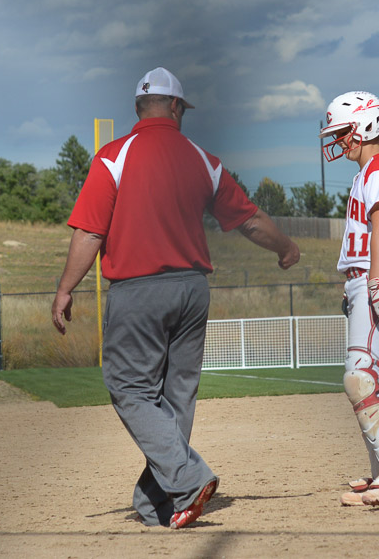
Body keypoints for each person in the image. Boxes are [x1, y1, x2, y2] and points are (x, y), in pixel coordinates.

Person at [51, 66, 300, 528]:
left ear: (137, 109)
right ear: (175, 107)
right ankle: (159, 504)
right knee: (177, 397)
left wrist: (66, 288)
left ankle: (188, 479)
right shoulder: (203, 160)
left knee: (129, 388)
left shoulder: (113, 156)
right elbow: (249, 220)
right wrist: (286, 248)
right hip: (192, 290)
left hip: (137, 289)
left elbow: (90, 232)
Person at [318, 91, 379, 506]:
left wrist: (375, 283)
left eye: (343, 132)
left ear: (366, 125)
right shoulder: (368, 172)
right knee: (378, 379)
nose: (339, 141)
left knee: (360, 378)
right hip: (367, 281)